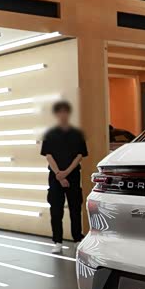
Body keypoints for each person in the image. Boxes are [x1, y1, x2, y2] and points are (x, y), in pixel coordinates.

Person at [41, 101, 88, 253]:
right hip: (55, 177)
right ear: (56, 114)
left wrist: (66, 173)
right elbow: (48, 155)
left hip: (73, 176)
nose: (62, 115)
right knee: (56, 210)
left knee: (75, 208)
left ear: (69, 113)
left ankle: (77, 238)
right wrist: (59, 175)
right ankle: (57, 241)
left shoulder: (77, 134)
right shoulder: (49, 134)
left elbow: (80, 155)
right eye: (59, 112)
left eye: (65, 112)